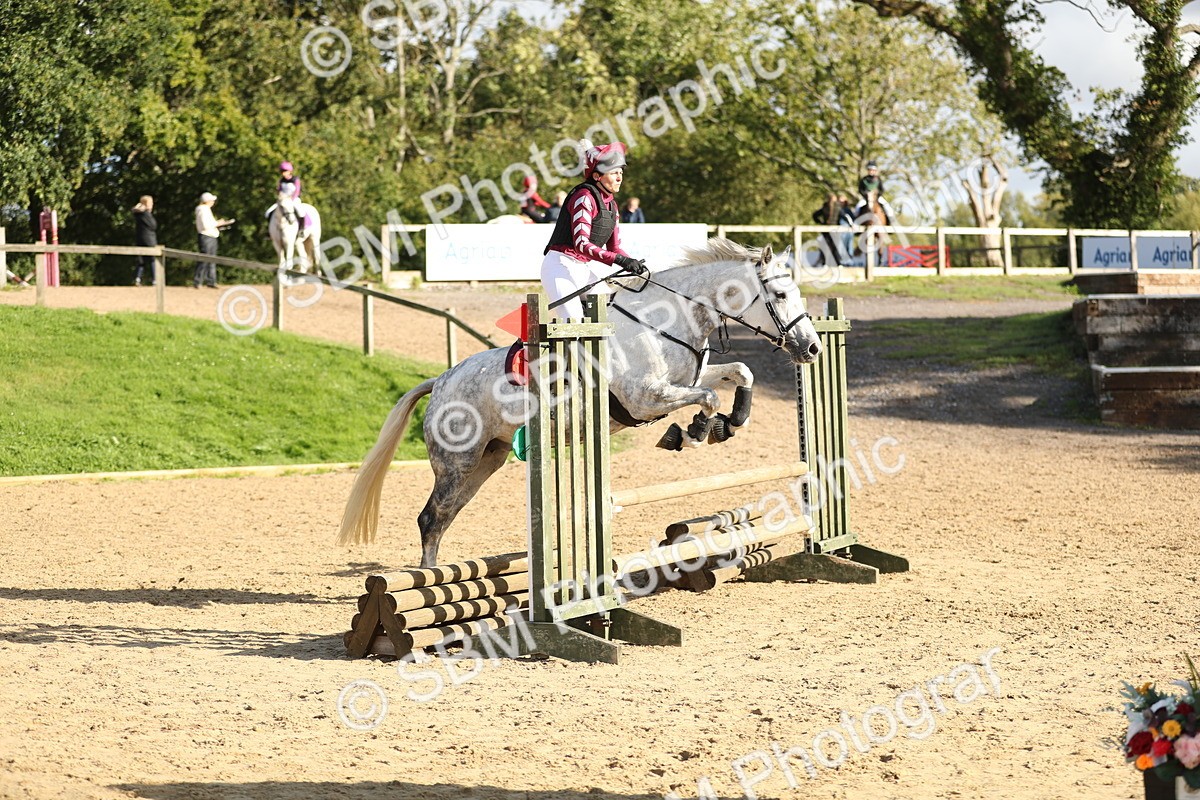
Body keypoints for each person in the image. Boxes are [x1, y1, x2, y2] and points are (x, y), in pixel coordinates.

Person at [541, 139, 647, 320]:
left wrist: (632, 262)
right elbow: (582, 245)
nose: (620, 177)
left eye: (620, 172)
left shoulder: (612, 205)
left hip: (582, 269)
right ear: (597, 176)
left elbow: (614, 249)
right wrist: (621, 260)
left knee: (612, 314)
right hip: (559, 266)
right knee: (573, 321)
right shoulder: (584, 197)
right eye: (614, 173)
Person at [194, 192, 233, 288]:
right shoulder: (203, 210)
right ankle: (198, 281)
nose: (213, 202)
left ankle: (210, 280)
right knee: (204, 258)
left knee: (212, 259)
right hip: (206, 236)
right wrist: (218, 223)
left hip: (211, 236)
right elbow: (206, 225)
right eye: (212, 200)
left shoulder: (205, 210)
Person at [132, 195, 157, 286]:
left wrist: (139, 206)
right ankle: (155, 279)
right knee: (153, 260)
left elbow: (134, 209)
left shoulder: (137, 214)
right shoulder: (146, 214)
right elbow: (153, 225)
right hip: (149, 239)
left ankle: (137, 278)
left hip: (139, 239)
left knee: (141, 260)